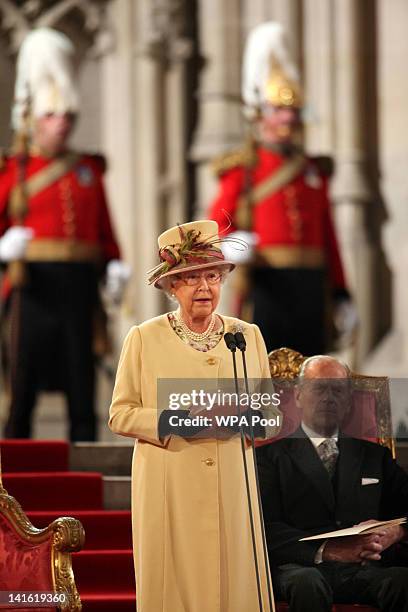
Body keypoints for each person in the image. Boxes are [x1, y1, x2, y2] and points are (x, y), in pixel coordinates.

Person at [109, 219, 281, 612]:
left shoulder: (246, 335)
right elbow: (120, 414)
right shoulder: (143, 337)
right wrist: (173, 418)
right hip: (169, 480)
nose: (205, 288)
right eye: (191, 279)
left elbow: (271, 415)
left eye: (212, 276)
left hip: (231, 481)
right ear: (172, 286)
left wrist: (242, 416)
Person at [0, 28, 130, 441]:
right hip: (31, 286)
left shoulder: (86, 171)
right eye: (52, 115)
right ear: (32, 118)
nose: (62, 125)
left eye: (68, 116)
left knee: (81, 380)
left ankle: (86, 463)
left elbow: (104, 229)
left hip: (79, 287)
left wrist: (113, 263)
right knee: (23, 385)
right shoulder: (11, 171)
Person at [208, 22, 356, 354]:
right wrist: (232, 246)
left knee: (313, 380)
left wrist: (342, 292)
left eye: (291, 110)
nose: (287, 119)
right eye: (278, 110)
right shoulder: (244, 168)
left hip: (312, 289)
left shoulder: (312, 171)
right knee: (266, 378)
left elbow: (328, 236)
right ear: (260, 114)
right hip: (267, 286)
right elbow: (215, 224)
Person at [256, 355, 408, 612]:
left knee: (402, 580)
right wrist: (329, 549)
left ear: (349, 400)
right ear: (298, 396)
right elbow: (263, 527)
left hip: (364, 569)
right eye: (319, 388)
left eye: (337, 389)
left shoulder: (374, 456)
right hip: (301, 568)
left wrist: (397, 532)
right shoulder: (268, 458)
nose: (328, 397)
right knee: (307, 583)